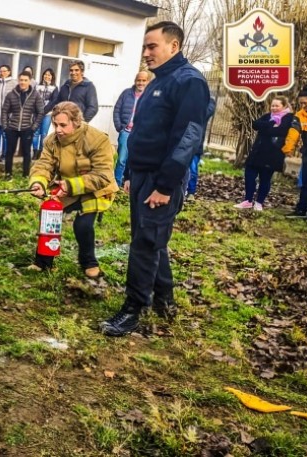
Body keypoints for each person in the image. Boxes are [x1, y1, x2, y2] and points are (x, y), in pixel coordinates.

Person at [100, 21, 210, 337]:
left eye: (152, 46)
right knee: (151, 240)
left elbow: (187, 138)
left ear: (173, 46)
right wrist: (133, 173)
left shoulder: (189, 82)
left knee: (145, 244)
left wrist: (164, 185)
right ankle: (165, 301)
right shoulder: (157, 81)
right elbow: (144, 134)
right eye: (145, 47)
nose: (146, 53)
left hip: (163, 181)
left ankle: (133, 310)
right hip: (144, 177)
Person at [29, 101, 119, 277]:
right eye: (55, 124)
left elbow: (103, 175)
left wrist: (71, 186)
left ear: (76, 122)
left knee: (83, 225)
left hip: (96, 190)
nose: (58, 129)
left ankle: (90, 264)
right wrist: (38, 183)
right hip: (67, 189)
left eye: (63, 125)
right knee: (48, 214)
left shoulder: (98, 139)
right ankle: (43, 261)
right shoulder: (52, 141)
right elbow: (44, 165)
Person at [234, 95, 292, 211]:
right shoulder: (268, 116)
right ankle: (248, 200)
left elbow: (281, 131)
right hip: (257, 153)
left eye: (277, 106)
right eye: (272, 105)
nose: (274, 108)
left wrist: (266, 127)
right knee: (249, 175)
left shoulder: (288, 118)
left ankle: (259, 202)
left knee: (265, 179)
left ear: (284, 106)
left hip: (271, 155)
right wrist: (271, 124)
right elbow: (255, 125)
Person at [283, 84, 307, 222]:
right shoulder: (299, 116)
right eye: (301, 103)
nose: (304, 105)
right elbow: (293, 133)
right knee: (306, 184)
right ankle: (301, 209)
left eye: (306, 102)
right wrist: (288, 148)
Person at [1, 71, 44, 180]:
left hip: (27, 128)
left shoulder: (35, 95)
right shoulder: (11, 94)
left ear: (30, 81)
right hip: (12, 128)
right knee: (9, 152)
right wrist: (5, 126)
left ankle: (25, 175)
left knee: (26, 153)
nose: (23, 82)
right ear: (18, 80)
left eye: (25, 80)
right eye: (21, 80)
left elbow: (40, 112)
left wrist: (34, 127)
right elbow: (4, 111)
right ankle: (8, 174)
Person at [112, 71, 149, 185]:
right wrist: (120, 127)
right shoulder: (126, 93)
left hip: (140, 134)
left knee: (136, 160)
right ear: (135, 81)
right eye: (139, 80)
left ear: (147, 82)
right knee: (122, 159)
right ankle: (116, 183)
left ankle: (130, 183)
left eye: (143, 80)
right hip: (126, 132)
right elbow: (117, 110)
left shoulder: (150, 96)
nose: (141, 83)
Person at [185, 96, 216, 200]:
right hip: (181, 140)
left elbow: (206, 113)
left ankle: (191, 192)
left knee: (192, 169)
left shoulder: (209, 100)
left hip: (196, 143)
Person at [0, 65, 17, 163]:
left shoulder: (14, 83)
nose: (2, 73)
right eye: (0, 71)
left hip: (8, 116)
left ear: (9, 72)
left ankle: (5, 154)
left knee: (5, 136)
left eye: (4, 71)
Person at [32, 68, 58, 159]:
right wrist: (37, 110)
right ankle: (35, 152)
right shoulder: (37, 86)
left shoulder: (54, 88)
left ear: (52, 77)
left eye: (49, 75)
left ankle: (41, 151)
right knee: (35, 133)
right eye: (45, 74)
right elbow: (33, 98)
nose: (47, 76)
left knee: (44, 133)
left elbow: (54, 101)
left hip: (47, 114)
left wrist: (44, 111)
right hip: (36, 113)